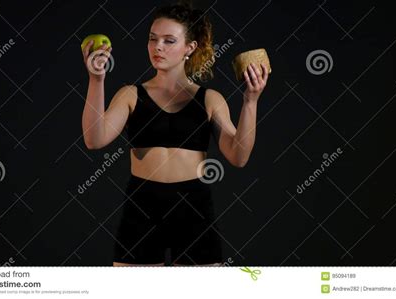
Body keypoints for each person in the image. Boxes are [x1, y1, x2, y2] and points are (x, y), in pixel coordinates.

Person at [81, 3, 268, 266]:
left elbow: (238, 156)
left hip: (193, 207)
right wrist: (96, 79)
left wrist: (250, 101)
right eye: (153, 39)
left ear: (189, 48)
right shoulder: (130, 95)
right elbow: (94, 138)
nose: (158, 47)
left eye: (169, 41)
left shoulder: (209, 99)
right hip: (141, 205)